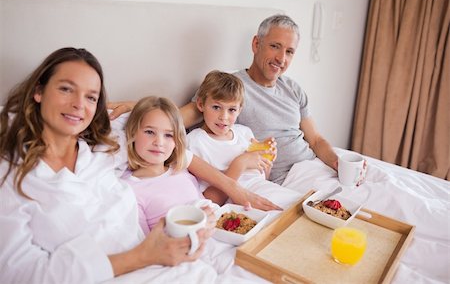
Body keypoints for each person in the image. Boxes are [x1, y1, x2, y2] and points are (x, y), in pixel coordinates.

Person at [0, 47, 218, 284]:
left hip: (158, 263)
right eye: (66, 89)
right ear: (38, 92)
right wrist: (142, 256)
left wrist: (234, 188)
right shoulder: (12, 175)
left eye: (91, 97)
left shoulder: (105, 148)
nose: (78, 105)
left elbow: (164, 129)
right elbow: (18, 274)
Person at [108, 14, 338, 185]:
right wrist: (137, 107)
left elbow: (316, 140)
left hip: (313, 165)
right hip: (286, 180)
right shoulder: (230, 91)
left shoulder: (293, 89)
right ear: (256, 44)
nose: (281, 58)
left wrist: (338, 163)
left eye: (289, 51)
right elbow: (175, 118)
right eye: (275, 46)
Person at [186, 70, 301, 209]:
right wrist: (240, 163)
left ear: (240, 109)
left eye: (232, 110)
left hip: (266, 190)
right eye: (216, 107)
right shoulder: (195, 142)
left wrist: (267, 161)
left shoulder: (244, 133)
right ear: (200, 104)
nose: (224, 117)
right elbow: (209, 201)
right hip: (240, 206)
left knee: (305, 208)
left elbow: (260, 178)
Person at [121, 95, 212, 234]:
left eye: (168, 135)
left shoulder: (181, 171)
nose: (159, 142)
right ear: (133, 132)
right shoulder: (129, 189)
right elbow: (145, 246)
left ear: (177, 141)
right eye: (150, 132)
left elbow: (204, 205)